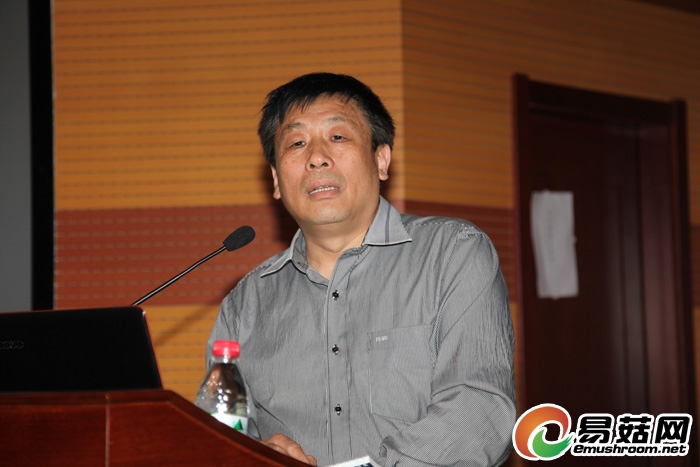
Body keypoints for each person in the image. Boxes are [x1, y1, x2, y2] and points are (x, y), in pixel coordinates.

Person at [206, 72, 516, 466]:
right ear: (276, 180)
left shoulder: (453, 254)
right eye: (297, 143)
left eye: (337, 136)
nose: (316, 157)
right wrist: (250, 456)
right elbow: (217, 439)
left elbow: (480, 411)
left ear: (381, 159)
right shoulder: (244, 305)